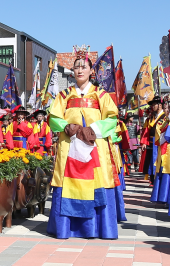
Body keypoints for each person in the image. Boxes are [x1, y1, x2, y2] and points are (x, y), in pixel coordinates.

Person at [47, 46, 119, 239]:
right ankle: (65, 228)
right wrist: (67, 127)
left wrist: (93, 130)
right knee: (68, 181)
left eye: (83, 66)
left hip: (93, 148)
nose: (79, 70)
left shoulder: (100, 95)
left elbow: (112, 119)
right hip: (70, 146)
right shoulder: (64, 96)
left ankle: (97, 228)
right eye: (76, 67)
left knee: (95, 181)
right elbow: (53, 118)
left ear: (91, 71)